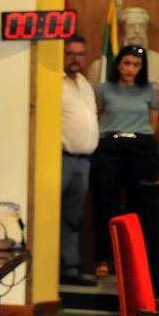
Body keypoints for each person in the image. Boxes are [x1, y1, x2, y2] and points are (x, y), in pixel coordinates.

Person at [91, 44, 159, 274]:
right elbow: (97, 116)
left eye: (136, 64)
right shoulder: (103, 89)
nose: (130, 69)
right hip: (110, 147)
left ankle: (137, 259)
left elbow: (153, 122)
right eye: (127, 63)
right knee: (105, 203)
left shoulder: (152, 89)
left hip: (140, 148)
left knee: (141, 205)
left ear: (142, 67)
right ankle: (104, 258)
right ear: (119, 64)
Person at [60, 36, 98, 286]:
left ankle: (69, 268)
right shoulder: (55, 82)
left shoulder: (85, 84)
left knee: (72, 218)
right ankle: (46, 271)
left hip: (84, 161)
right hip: (61, 159)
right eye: (70, 53)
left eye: (80, 54)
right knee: (51, 216)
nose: (75, 59)